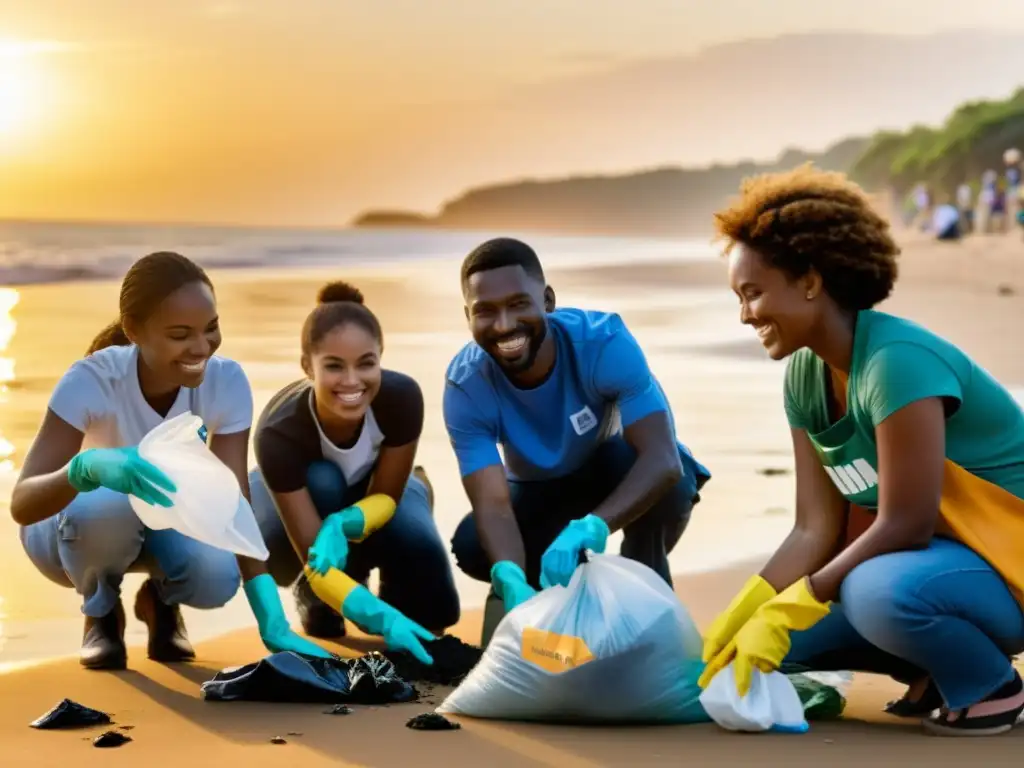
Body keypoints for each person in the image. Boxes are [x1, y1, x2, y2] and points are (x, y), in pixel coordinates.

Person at [699, 164, 1024, 736]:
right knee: (785, 647)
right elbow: (813, 529)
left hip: (1009, 564)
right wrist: (754, 606)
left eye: (752, 293)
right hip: (950, 570)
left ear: (809, 280)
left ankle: (988, 686)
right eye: (738, 298)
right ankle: (932, 668)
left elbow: (907, 523)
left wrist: (799, 600)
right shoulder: (805, 375)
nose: (745, 314)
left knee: (873, 592)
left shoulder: (896, 363)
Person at [12, 251, 327, 670]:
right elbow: (22, 504)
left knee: (216, 574)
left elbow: (232, 498)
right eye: (181, 334)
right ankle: (100, 610)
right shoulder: (90, 380)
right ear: (134, 331)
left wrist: (270, 614)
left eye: (211, 328)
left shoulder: (225, 381)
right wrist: (83, 469)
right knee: (103, 505)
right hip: (71, 533)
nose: (202, 347)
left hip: (162, 521)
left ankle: (162, 600)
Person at [446, 237, 711, 635]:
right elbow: (493, 503)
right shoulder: (466, 385)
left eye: (519, 304)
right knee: (473, 543)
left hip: (613, 475)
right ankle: (549, 590)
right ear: (467, 315)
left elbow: (662, 459)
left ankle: (643, 590)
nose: (503, 325)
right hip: (538, 493)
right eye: (485, 311)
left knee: (669, 486)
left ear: (548, 300)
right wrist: (509, 575)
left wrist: (593, 527)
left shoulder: (603, 343)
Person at [249, 281, 458, 662]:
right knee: (311, 499)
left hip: (380, 496)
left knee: (434, 613)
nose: (352, 381)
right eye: (333, 366)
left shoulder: (402, 397)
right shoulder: (278, 431)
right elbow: (317, 559)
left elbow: (387, 498)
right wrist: (380, 618)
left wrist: (342, 524)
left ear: (381, 357)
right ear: (306, 367)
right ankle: (311, 595)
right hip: (296, 501)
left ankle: (380, 568)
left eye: (366, 362)